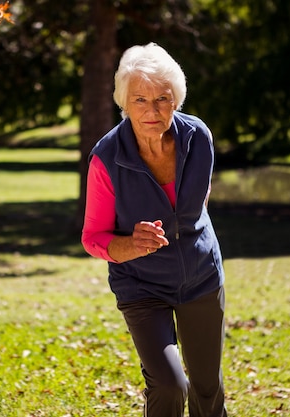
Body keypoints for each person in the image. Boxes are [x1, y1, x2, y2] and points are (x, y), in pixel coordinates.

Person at [81, 42, 228, 417]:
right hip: (141, 285)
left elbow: (201, 197)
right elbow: (93, 238)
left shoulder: (198, 137)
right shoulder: (106, 158)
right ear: (124, 104)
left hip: (200, 278)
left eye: (162, 98)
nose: (151, 110)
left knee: (207, 387)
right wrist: (132, 244)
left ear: (176, 100)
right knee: (168, 384)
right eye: (140, 100)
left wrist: (187, 235)